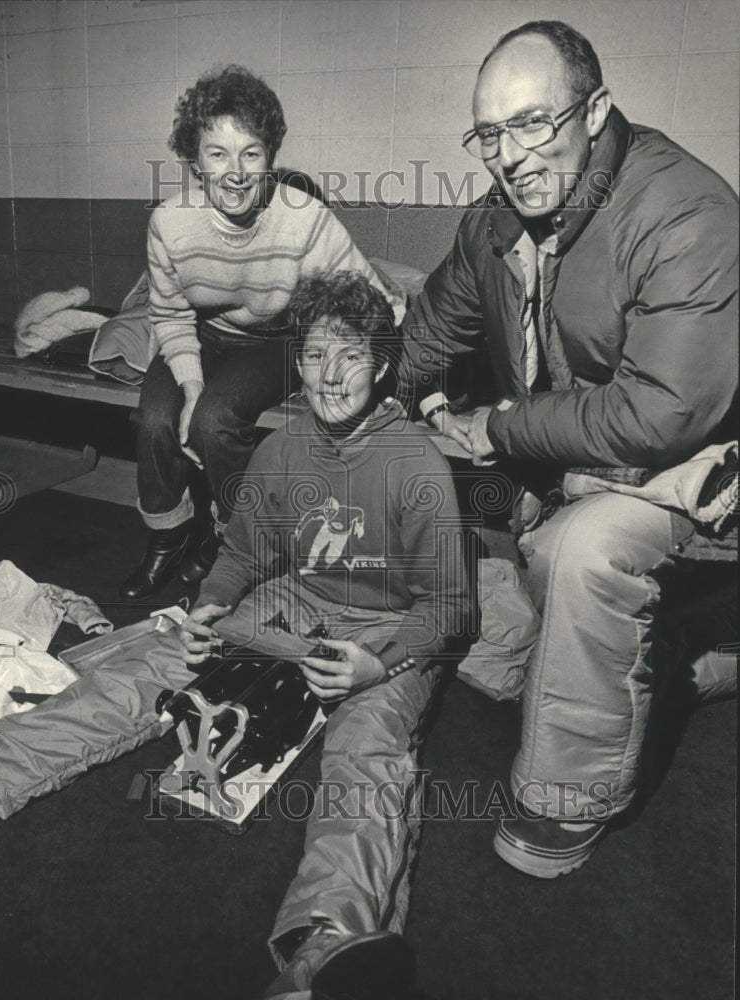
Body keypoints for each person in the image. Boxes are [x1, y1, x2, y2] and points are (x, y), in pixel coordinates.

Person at [401, 19, 738, 878]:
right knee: (453, 508)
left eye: (532, 122)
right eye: (489, 133)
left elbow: (664, 414)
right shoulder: (494, 221)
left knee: (580, 550)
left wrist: (495, 426)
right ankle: (681, 667)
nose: (509, 153)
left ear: (595, 111)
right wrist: (415, 398)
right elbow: (430, 329)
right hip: (586, 461)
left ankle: (564, 806)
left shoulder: (685, 211)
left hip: (704, 473)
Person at [180, 272, 473, 998]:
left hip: (391, 629)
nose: (330, 375)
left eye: (349, 356)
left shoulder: (416, 463)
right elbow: (244, 552)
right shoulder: (280, 447)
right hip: (300, 604)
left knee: (365, 753)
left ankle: (325, 946)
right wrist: (209, 606)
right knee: (165, 651)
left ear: (379, 365)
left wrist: (379, 665)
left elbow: (452, 607)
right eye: (314, 356)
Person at [89, 64, 404, 601]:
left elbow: (375, 301)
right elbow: (168, 313)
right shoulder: (170, 222)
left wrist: (357, 366)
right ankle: (168, 535)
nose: (235, 173)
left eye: (251, 153)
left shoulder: (304, 218)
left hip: (276, 341)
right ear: (195, 161)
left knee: (214, 421)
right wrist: (188, 386)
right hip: (201, 334)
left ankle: (234, 538)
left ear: (270, 158)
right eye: (218, 154)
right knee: (155, 419)